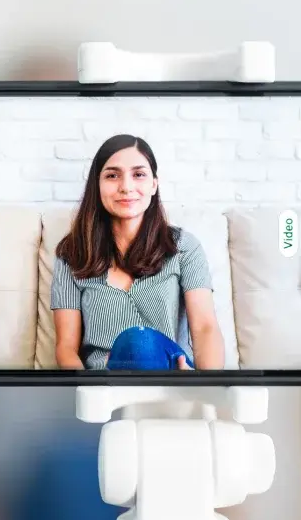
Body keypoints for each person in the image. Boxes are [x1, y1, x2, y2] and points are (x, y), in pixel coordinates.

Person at [50, 134, 226, 370]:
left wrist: (206, 390)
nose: (126, 187)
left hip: (173, 376)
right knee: (133, 343)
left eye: (139, 175)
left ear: (154, 184)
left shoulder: (184, 247)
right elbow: (66, 348)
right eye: (113, 176)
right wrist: (89, 393)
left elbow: (205, 327)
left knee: (139, 342)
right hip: (104, 385)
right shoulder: (72, 254)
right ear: (97, 185)